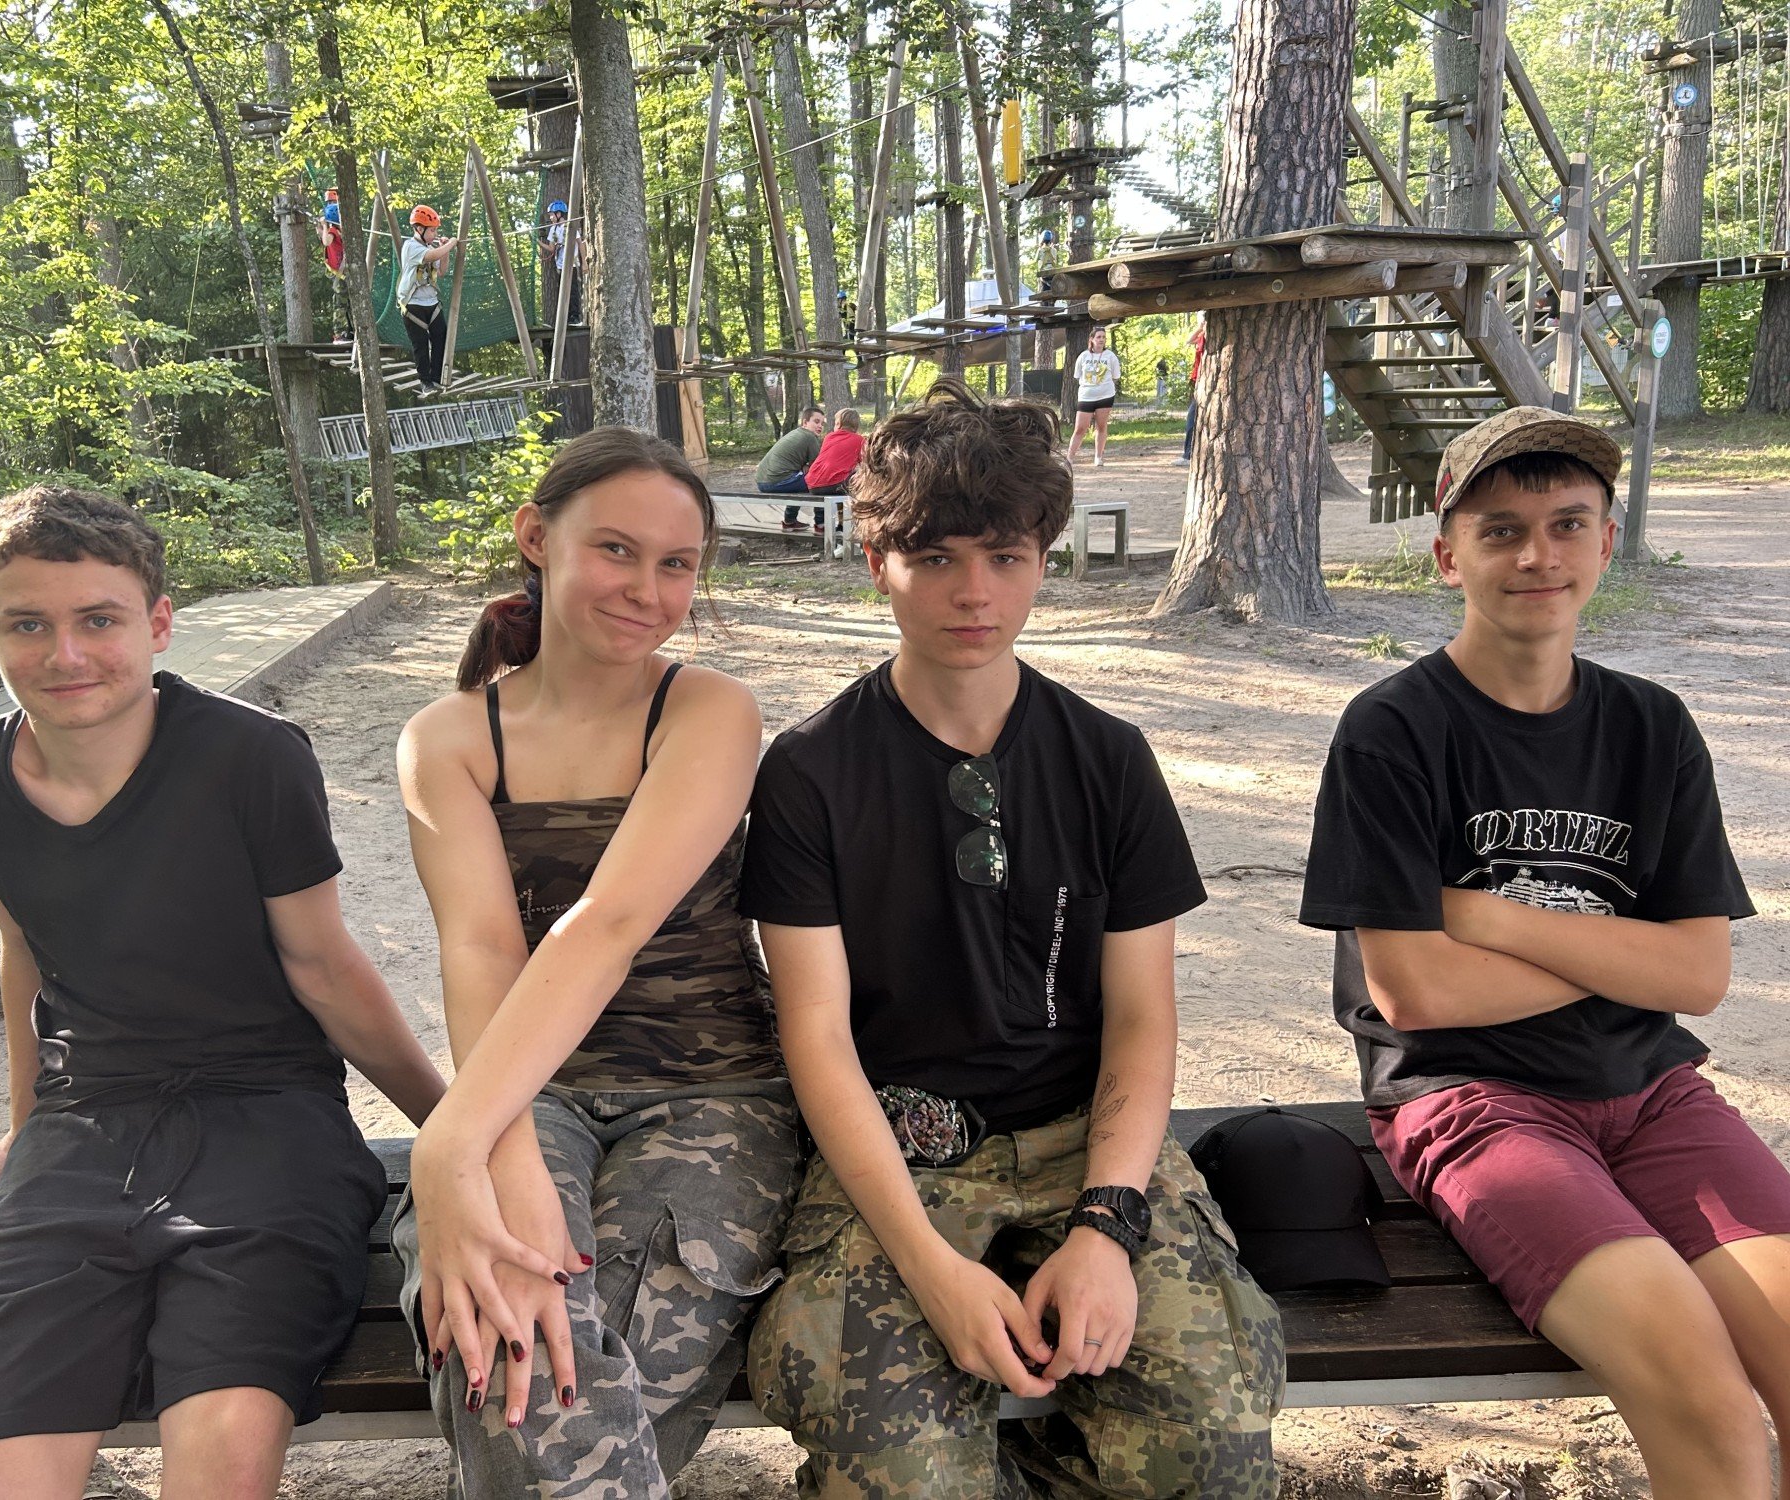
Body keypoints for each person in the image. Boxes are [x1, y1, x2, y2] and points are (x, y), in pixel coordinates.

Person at [741, 378, 1285, 1497]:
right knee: (899, 1475)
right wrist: (931, 1269)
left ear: (1042, 557)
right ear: (875, 561)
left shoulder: (1108, 759)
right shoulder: (808, 773)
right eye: (933, 557)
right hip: (893, 1157)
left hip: (1086, 1139)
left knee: (1212, 1444)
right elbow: (817, 1040)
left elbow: (1140, 1019)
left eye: (1003, 555)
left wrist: (1108, 1226)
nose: (972, 592)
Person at [0, 486, 447, 1499]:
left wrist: (452, 1136)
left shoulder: (250, 757)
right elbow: (25, 952)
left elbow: (323, 966)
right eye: (28, 624)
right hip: (86, 1124)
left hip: (269, 1116)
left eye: (97, 620)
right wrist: (25, 1132)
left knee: (223, 1451)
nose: (65, 654)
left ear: (156, 623)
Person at [1299, 406, 1790, 1500]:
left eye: (1567, 524)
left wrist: (1490, 917)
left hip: (1654, 1096)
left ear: (1605, 543)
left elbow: (1698, 977)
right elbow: (1416, 991)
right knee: (1706, 1400)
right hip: (1475, 1104)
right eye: (1501, 531)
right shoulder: (1392, 731)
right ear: (1447, 557)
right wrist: (1621, 953)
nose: (1538, 555)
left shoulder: (1652, 727)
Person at [391, 429, 803, 1497]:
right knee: (508, 1350)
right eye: (615, 549)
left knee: (563, 1380)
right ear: (536, 537)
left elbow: (608, 923)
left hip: (715, 1094)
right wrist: (499, 1150)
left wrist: (450, 1143)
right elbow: (481, 946)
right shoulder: (449, 737)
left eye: (676, 564)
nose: (647, 591)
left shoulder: (706, 709)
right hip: (527, 1086)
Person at [398, 203, 458, 389]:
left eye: (435, 230)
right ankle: (425, 381)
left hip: (431, 302)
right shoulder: (410, 246)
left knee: (441, 338)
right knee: (421, 344)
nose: (435, 234)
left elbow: (442, 271)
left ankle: (437, 377)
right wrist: (451, 244)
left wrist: (445, 249)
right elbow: (431, 256)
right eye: (432, 230)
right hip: (413, 304)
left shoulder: (431, 247)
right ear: (419, 229)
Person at [758, 405, 827, 531]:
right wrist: (808, 467)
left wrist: (805, 466)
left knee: (801, 483)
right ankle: (821, 525)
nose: (820, 426)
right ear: (805, 422)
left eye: (822, 423)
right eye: (816, 422)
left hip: (762, 481)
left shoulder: (796, 433)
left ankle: (789, 522)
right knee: (821, 483)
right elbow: (817, 469)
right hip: (777, 481)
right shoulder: (810, 437)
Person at [801, 408, 865, 542]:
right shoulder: (859, 440)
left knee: (826, 486)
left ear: (838, 424)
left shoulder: (829, 437)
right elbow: (865, 463)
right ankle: (844, 523)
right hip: (835, 484)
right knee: (852, 482)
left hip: (813, 483)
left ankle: (820, 524)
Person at [1066, 326, 1123, 467]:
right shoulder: (1083, 356)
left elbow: (1116, 376)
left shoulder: (1110, 356)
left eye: (1103, 337)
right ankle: (1069, 458)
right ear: (1091, 339)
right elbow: (1077, 375)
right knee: (1080, 428)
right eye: (1098, 337)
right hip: (1086, 397)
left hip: (1105, 396)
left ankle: (1098, 457)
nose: (1101, 340)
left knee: (1101, 426)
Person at [542, 199, 584, 327]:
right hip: (560, 265)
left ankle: (575, 317)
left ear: (559, 214)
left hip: (571, 264)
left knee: (572, 291)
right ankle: (566, 318)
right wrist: (537, 242)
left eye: (552, 215)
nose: (550, 217)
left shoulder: (569, 227)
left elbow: (580, 244)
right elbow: (552, 248)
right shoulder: (554, 229)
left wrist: (584, 263)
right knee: (563, 291)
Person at [320, 188, 350, 342]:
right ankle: (339, 333)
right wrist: (323, 226)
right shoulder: (332, 229)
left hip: (345, 271)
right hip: (338, 272)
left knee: (347, 302)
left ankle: (348, 331)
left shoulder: (340, 229)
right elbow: (326, 241)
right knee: (340, 302)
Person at [1178, 317, 1206, 467]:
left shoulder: (1208, 338)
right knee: (1192, 417)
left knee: (1192, 417)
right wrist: (1200, 328)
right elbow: (1189, 340)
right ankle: (1189, 454)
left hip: (1204, 382)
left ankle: (1188, 455)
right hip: (1197, 382)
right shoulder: (1202, 336)